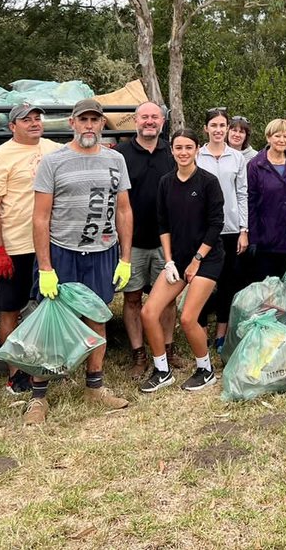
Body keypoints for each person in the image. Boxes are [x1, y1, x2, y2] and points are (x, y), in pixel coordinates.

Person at [24, 98, 134, 425]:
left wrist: (125, 258)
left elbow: (124, 210)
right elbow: (40, 217)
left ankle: (94, 387)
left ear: (101, 124)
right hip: (63, 251)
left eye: (94, 120)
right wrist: (46, 267)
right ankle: (38, 397)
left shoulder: (115, 160)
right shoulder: (54, 161)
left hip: (102, 252)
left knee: (97, 318)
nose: (89, 125)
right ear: (72, 123)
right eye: (83, 119)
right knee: (51, 324)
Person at [0, 103, 62, 395]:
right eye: (26, 120)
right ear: (12, 126)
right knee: (10, 310)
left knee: (50, 307)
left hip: (50, 243)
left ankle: (48, 365)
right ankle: (16, 374)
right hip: (15, 245)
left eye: (37, 118)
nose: (34, 123)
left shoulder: (54, 149)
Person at [140, 129, 226, 393]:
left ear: (197, 149)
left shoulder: (208, 182)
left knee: (188, 318)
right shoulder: (166, 182)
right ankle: (162, 371)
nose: (184, 152)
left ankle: (205, 370)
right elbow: (163, 224)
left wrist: (197, 260)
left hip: (207, 258)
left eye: (189, 147)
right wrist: (168, 261)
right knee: (148, 313)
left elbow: (216, 224)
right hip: (177, 259)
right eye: (178, 147)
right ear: (172, 151)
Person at [116, 101, 181, 377]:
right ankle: (139, 353)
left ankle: (167, 348)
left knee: (167, 299)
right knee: (132, 298)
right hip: (132, 242)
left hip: (167, 243)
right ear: (136, 120)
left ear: (163, 122)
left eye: (155, 117)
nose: (150, 121)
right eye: (144, 117)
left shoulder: (173, 152)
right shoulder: (120, 154)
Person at [196, 108, 250, 352]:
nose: (218, 130)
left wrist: (243, 229)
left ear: (227, 129)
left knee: (228, 282)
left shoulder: (237, 158)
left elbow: (242, 194)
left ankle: (221, 334)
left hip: (230, 229)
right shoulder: (197, 156)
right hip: (203, 229)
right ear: (206, 129)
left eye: (222, 126)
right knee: (201, 282)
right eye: (214, 125)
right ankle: (200, 331)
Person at [247, 119, 286, 280]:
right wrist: (253, 238)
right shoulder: (255, 165)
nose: (281, 140)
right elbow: (250, 202)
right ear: (268, 137)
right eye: (277, 136)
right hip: (265, 238)